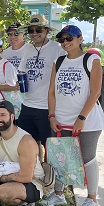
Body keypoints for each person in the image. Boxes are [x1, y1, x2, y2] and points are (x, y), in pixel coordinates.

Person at [44, 25, 104, 206]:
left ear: (80, 38)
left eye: (69, 38)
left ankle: (92, 200)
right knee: (60, 157)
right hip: (61, 119)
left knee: (87, 157)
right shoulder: (58, 62)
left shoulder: (91, 60)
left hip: (87, 121)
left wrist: (81, 117)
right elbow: (52, 92)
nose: (65, 43)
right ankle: (58, 193)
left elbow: (95, 92)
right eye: (61, 39)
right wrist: (52, 115)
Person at [17, 15, 65, 153]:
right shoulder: (27, 49)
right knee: (28, 144)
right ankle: (34, 172)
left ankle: (49, 172)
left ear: (46, 31)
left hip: (47, 107)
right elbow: (22, 71)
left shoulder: (57, 49)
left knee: (49, 145)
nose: (34, 33)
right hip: (27, 104)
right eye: (31, 31)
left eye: (38, 30)